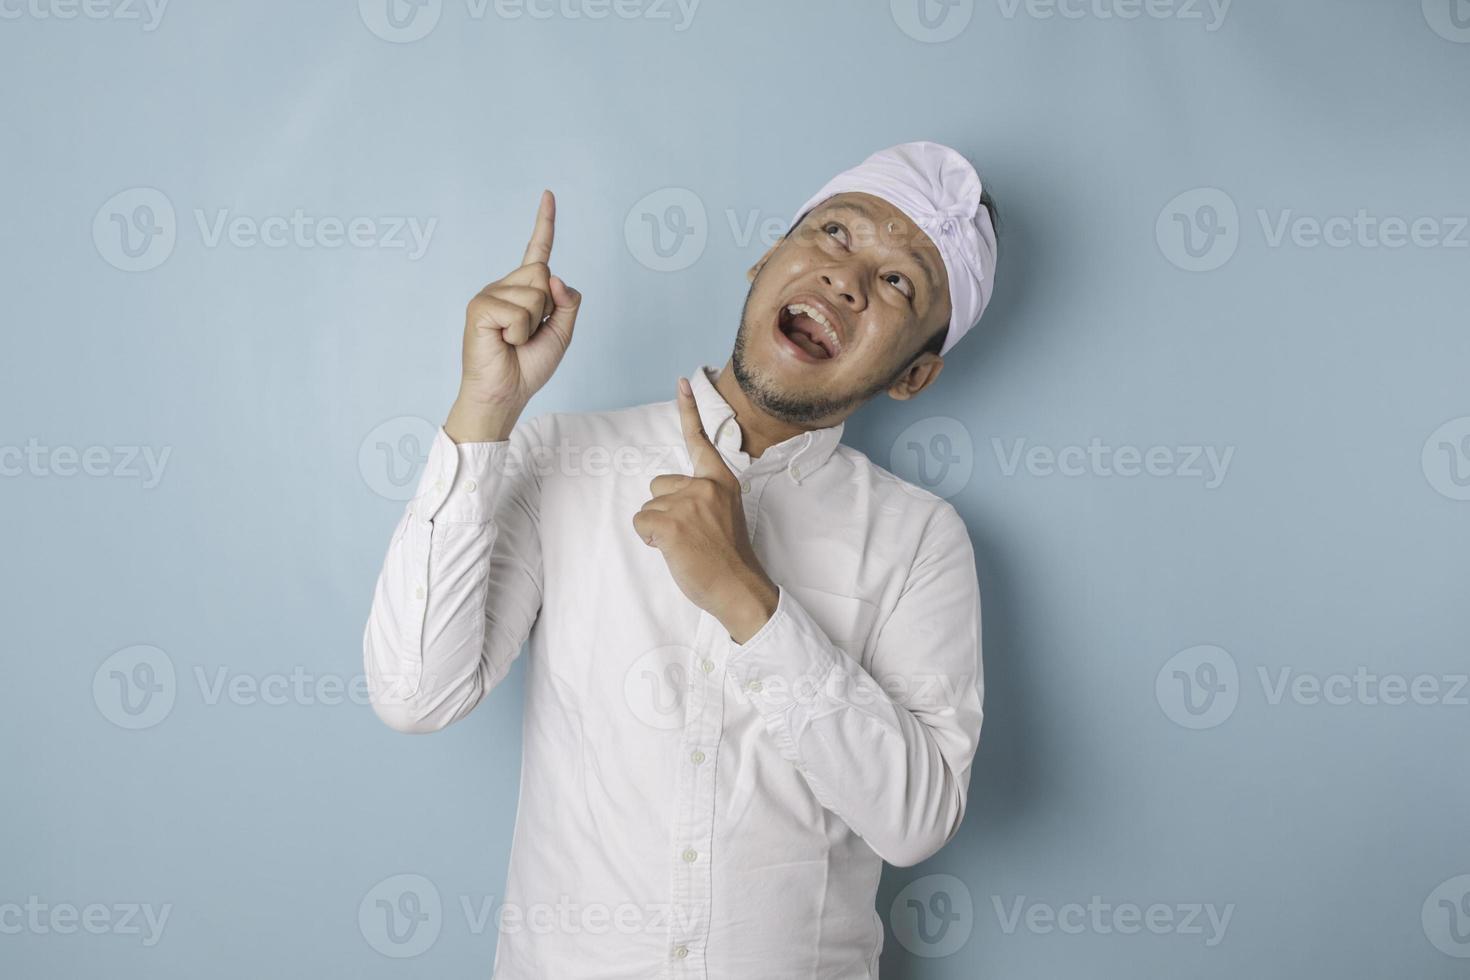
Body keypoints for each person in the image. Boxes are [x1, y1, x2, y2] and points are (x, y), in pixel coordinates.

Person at [363, 141, 999, 978]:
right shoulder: (568, 458)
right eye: (836, 234)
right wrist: (485, 410)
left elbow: (914, 819)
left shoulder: (921, 538)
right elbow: (416, 693)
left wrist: (749, 598)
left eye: (898, 283)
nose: (848, 278)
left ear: (913, 376)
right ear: (765, 260)